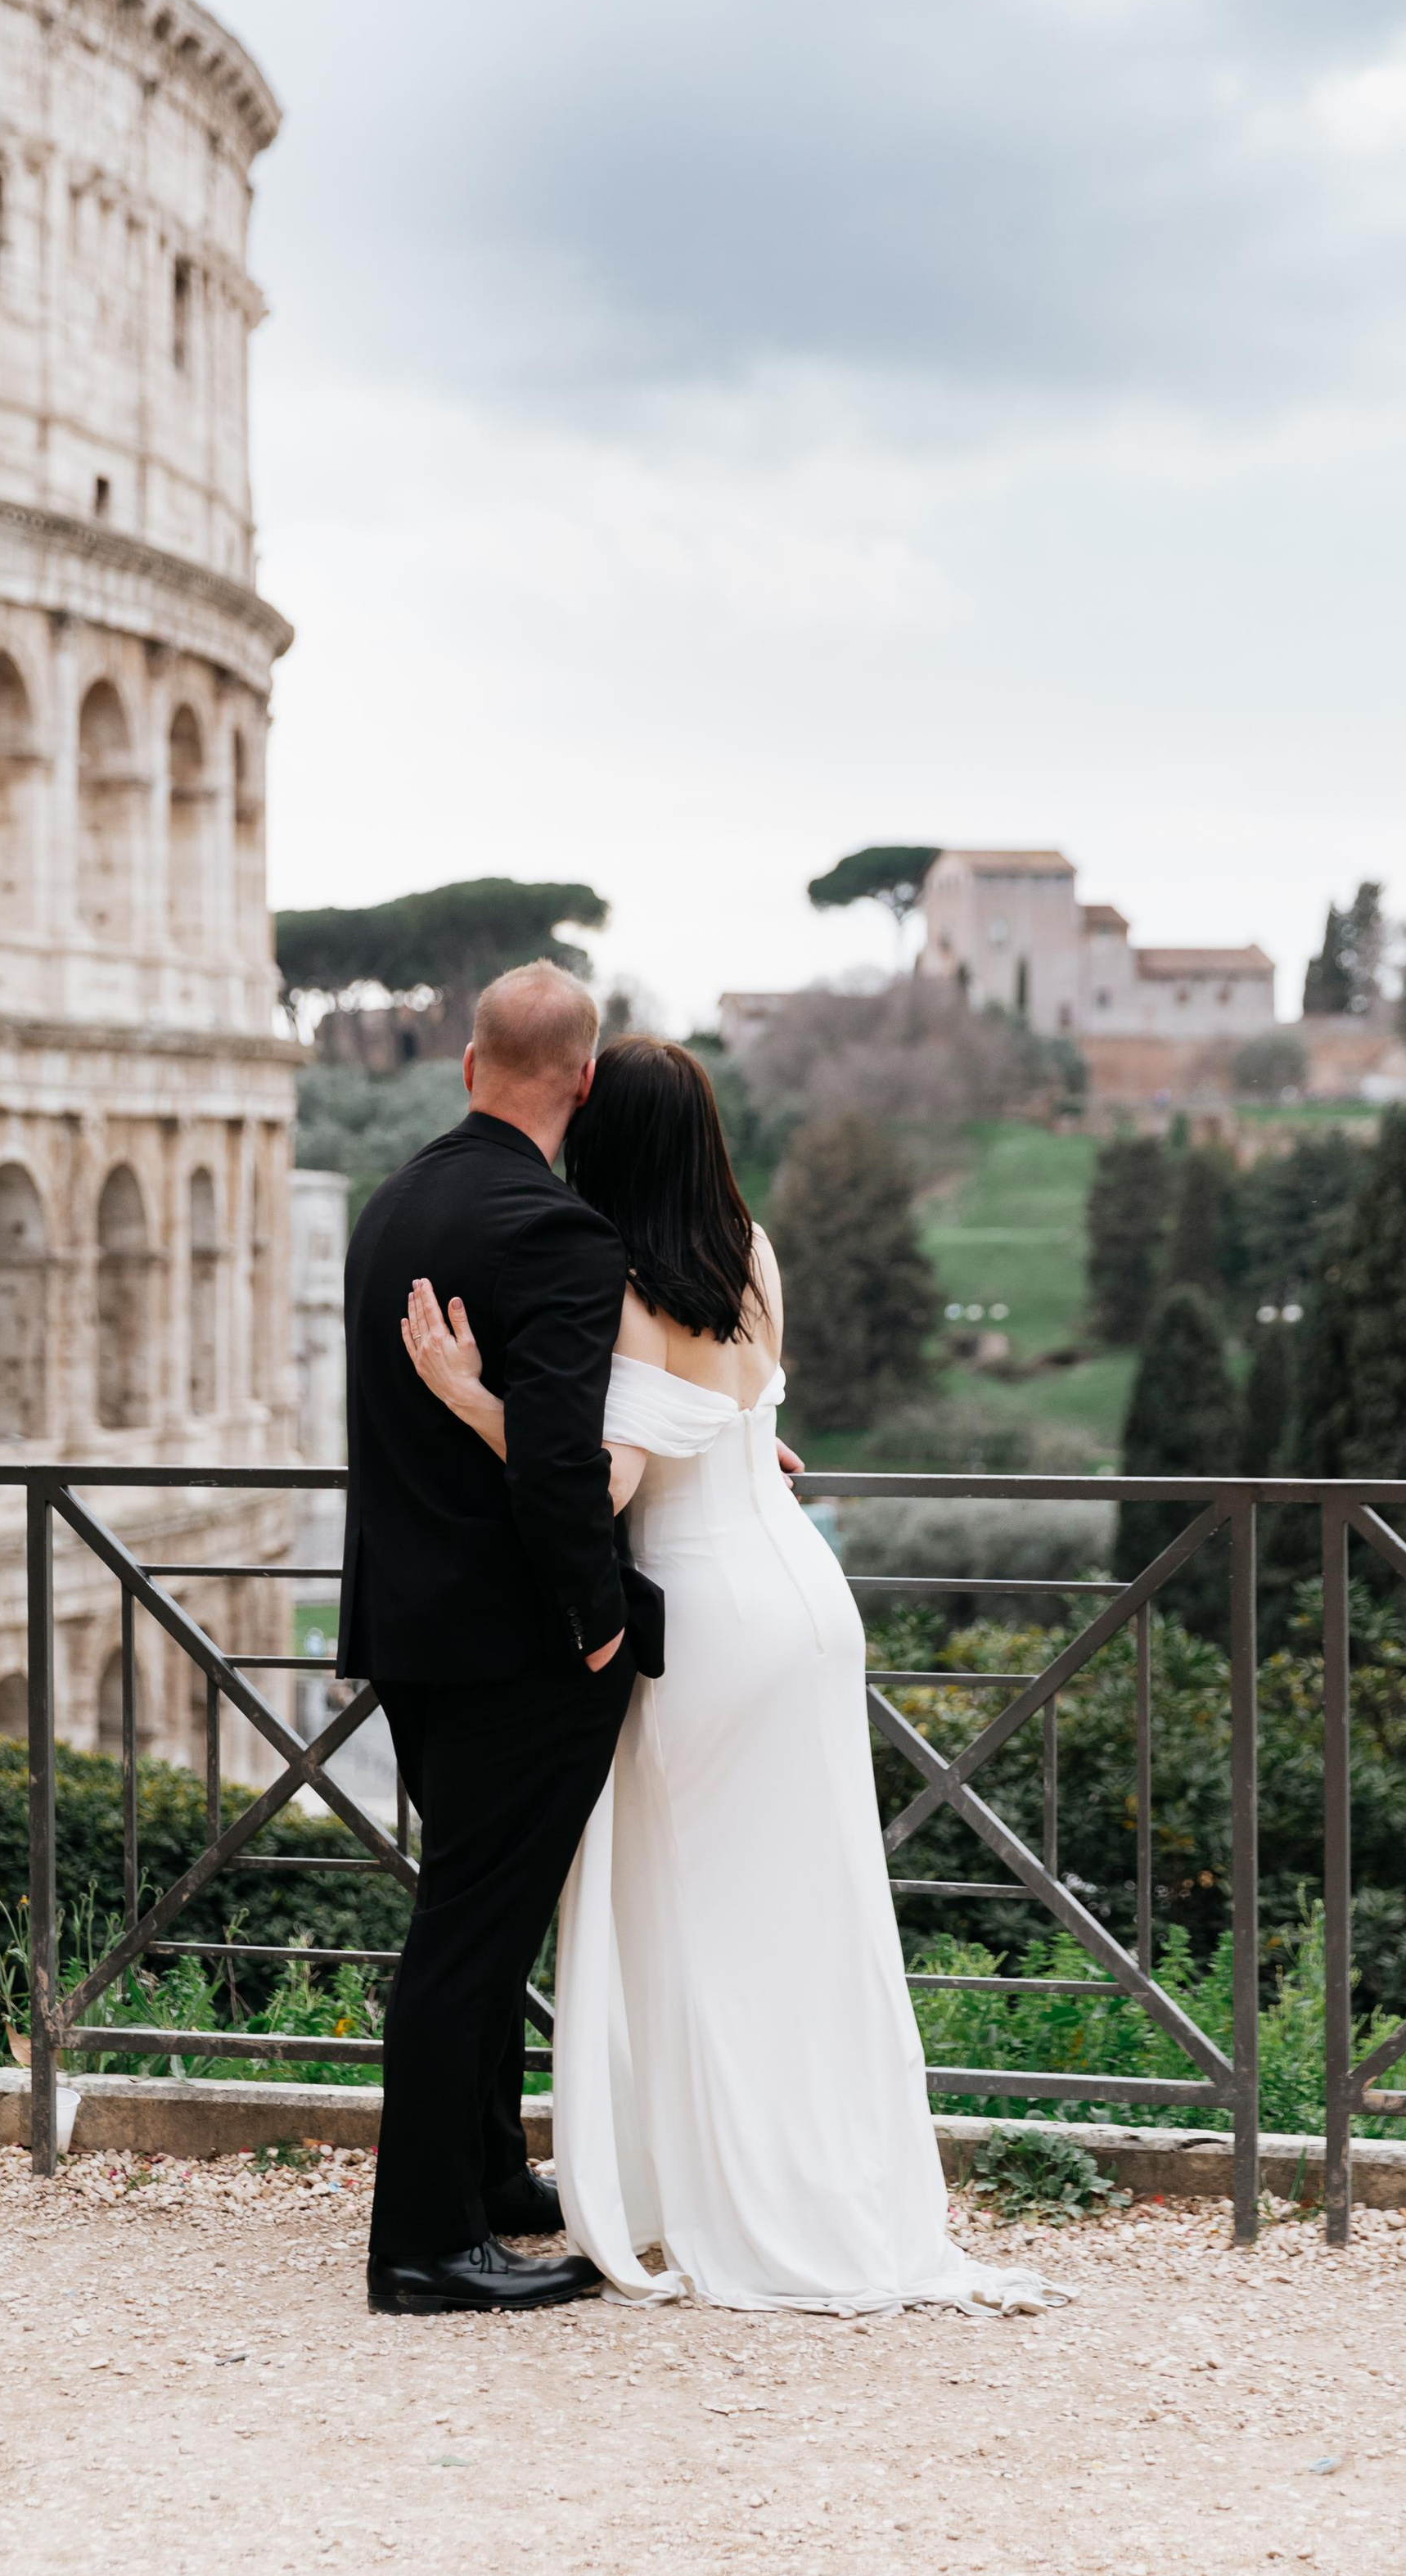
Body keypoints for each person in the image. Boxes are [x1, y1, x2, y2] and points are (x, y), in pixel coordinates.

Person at [402, 1034, 1061, 2317]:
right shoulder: (750, 1252)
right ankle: (833, 2179)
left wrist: (470, 1396)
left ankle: (732, 2190)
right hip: (808, 1597)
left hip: (707, 1619)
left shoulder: (624, 1281)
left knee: (700, 1907)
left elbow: (599, 1490)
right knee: (811, 1907)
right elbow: (734, 1412)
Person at [339, 959, 632, 2315]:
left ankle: (492, 2180)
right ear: (579, 1078)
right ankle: (419, 2247)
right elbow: (562, 1466)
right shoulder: (560, 1235)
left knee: (473, 1919)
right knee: (468, 1935)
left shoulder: (390, 1202)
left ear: (469, 1064)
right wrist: (597, 1620)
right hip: (520, 1644)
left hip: (406, 1627)